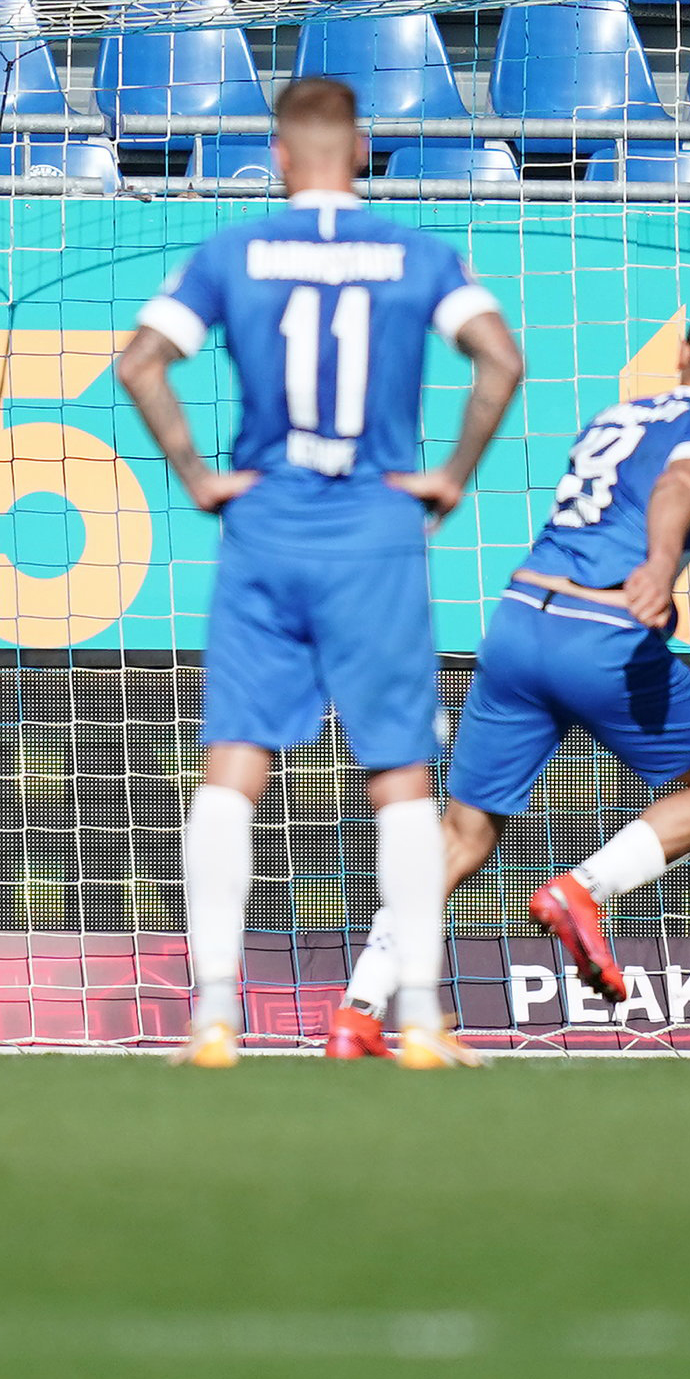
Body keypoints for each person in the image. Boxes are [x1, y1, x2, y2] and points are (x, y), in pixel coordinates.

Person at [111, 79, 526, 1070]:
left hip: (267, 525)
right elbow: (502, 361)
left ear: (282, 156)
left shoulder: (233, 249)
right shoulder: (418, 253)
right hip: (378, 528)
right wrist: (454, 476)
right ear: (366, 149)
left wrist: (201, 475)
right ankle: (420, 1014)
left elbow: (138, 364)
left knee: (235, 765)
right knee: (400, 774)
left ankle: (214, 1014)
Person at [328, 301, 690, 1048]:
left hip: (519, 620)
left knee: (463, 833)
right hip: (600, 634)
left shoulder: (617, 416)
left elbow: (619, 504)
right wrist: (666, 564)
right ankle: (581, 891)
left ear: (681, 355)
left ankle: (357, 1013)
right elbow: (675, 485)